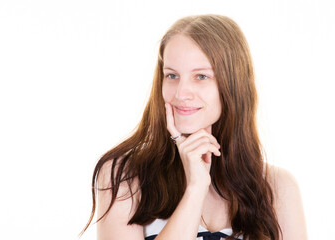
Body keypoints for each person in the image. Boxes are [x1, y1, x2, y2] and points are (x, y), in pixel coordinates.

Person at [81, 14, 307, 240]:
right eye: (172, 75)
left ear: (233, 84)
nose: (180, 93)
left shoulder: (278, 188)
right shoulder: (124, 178)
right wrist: (195, 189)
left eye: (201, 76)